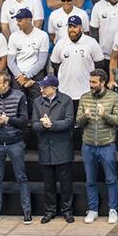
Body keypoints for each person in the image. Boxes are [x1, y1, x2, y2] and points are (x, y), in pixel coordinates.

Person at [0, 71, 32, 225]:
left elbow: (25, 121)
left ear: (6, 84)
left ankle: (27, 211)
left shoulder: (19, 96)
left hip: (15, 142)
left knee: (22, 177)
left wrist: (8, 120)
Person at [76, 69, 118, 224]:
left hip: (107, 144)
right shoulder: (84, 97)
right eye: (90, 81)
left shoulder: (113, 97)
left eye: (94, 82)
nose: (91, 85)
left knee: (111, 178)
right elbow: (78, 121)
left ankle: (113, 209)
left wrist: (105, 116)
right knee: (90, 180)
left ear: (103, 82)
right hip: (88, 144)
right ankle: (93, 209)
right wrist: (85, 116)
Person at [31, 75, 75, 224]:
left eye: (44, 87)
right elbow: (34, 124)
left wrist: (52, 124)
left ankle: (67, 210)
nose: (41, 89)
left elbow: (69, 121)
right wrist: (43, 125)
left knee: (65, 182)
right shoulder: (37, 102)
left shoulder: (66, 100)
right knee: (48, 183)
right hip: (45, 147)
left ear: (54, 88)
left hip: (62, 147)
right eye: (41, 86)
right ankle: (50, 210)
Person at [7, 8, 50, 116]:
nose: (17, 23)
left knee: (37, 107)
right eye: (17, 20)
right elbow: (10, 62)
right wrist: (20, 76)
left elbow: (41, 62)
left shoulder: (42, 35)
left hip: (36, 75)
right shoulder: (14, 36)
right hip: (18, 76)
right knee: (18, 107)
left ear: (29, 20)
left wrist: (27, 76)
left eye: (20, 20)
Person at [51, 16, 105, 100]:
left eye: (75, 27)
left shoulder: (91, 42)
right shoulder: (61, 43)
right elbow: (55, 64)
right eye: (70, 27)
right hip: (65, 91)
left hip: (87, 92)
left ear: (81, 27)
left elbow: (100, 64)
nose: (72, 29)